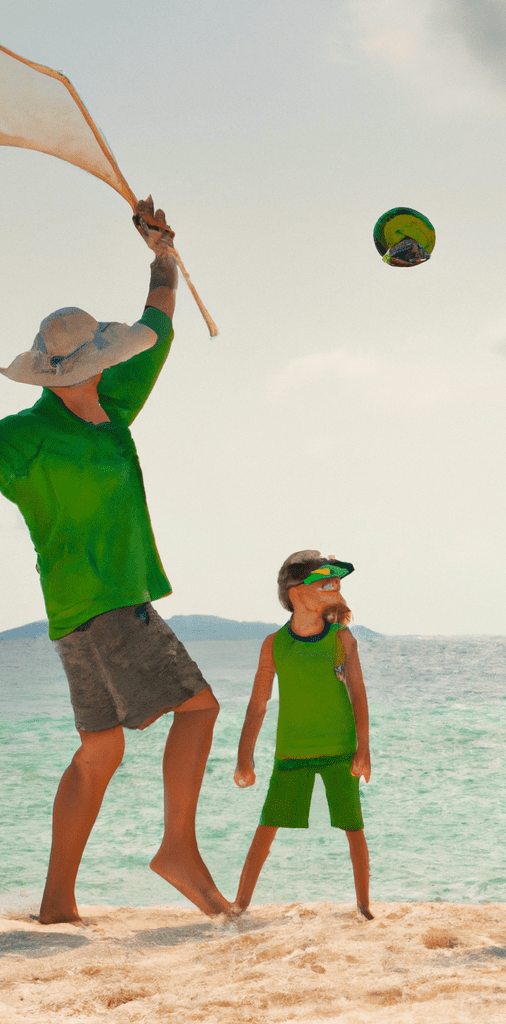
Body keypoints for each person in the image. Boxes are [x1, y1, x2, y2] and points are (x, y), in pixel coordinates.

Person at [0, 198, 231, 923]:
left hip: (74, 614)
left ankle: (56, 903)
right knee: (199, 708)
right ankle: (177, 849)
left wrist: (162, 255)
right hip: (104, 606)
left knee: (100, 750)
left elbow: (158, 325)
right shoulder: (23, 439)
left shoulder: (111, 399)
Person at [233, 550, 373, 919]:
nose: (333, 589)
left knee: (352, 827)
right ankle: (240, 904)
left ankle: (364, 906)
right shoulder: (274, 644)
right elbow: (258, 704)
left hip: (339, 749)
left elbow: (358, 694)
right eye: (322, 582)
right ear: (296, 594)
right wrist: (243, 758)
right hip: (292, 752)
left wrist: (364, 750)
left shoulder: (342, 639)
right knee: (267, 826)